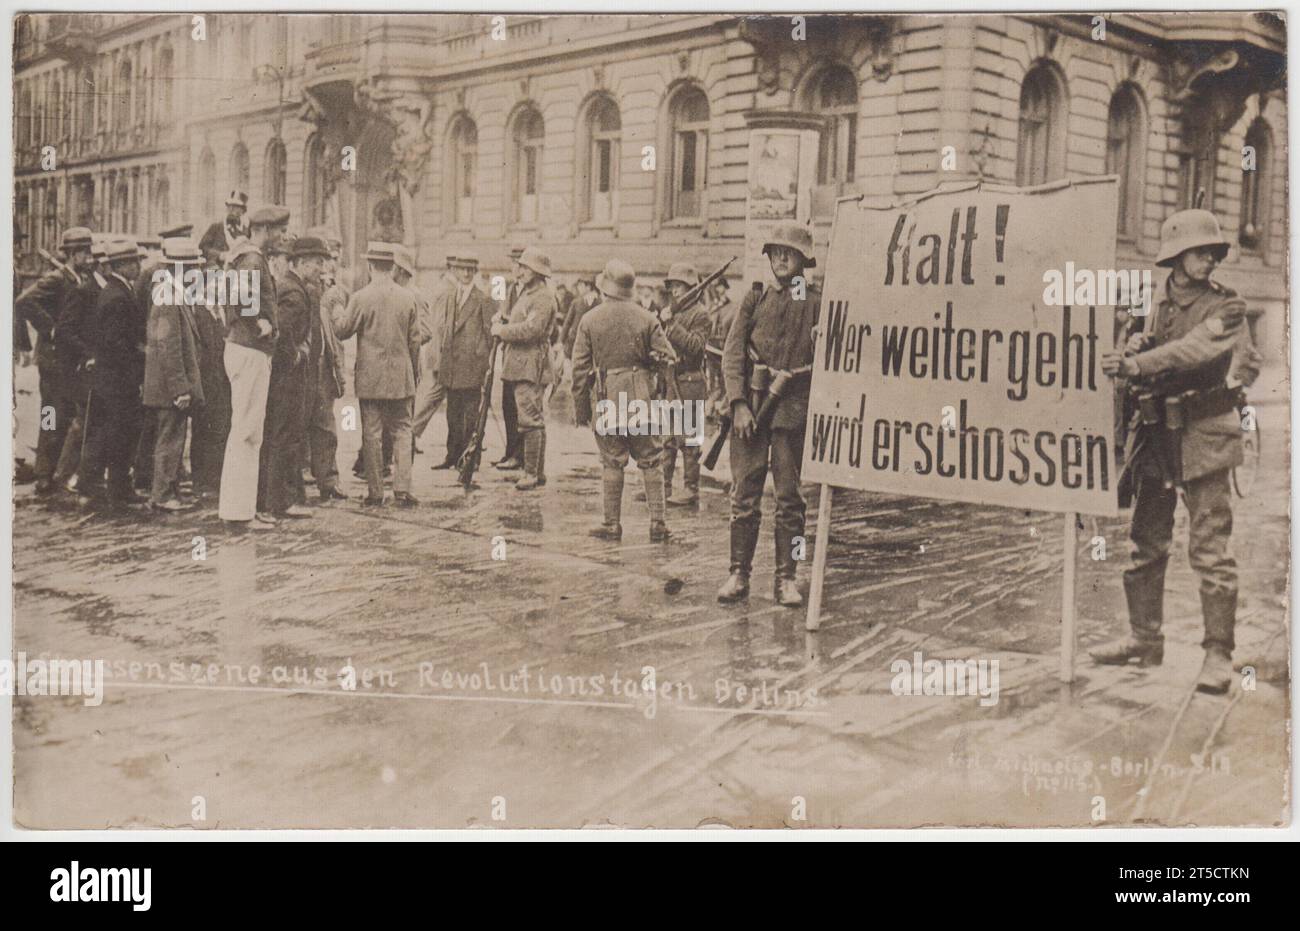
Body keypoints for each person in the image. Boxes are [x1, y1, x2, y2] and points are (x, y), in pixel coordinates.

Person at [1094, 208, 1261, 695]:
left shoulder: (1228, 307)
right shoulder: (1158, 303)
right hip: (1157, 434)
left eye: (1212, 252)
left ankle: (1217, 654)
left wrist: (1138, 364)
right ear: (1175, 257)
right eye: (1198, 252)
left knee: (1210, 549)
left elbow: (1192, 351)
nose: (1208, 259)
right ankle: (1144, 639)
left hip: (1206, 433)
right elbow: (1153, 342)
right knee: (1146, 541)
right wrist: (1129, 352)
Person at [718, 224, 820, 607]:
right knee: (744, 495)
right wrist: (738, 403)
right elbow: (732, 355)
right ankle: (738, 573)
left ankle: (787, 577)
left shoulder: (815, 303)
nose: (780, 258)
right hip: (753, 412)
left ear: (803, 261)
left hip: (792, 414)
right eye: (775, 251)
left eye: (788, 253)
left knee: (791, 501)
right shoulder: (755, 297)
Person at [572, 259, 675, 542]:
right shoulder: (648, 318)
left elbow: (579, 370)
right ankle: (658, 523)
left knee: (612, 461)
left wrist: (581, 408)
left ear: (605, 288)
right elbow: (668, 359)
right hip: (643, 394)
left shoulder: (590, 319)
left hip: (608, 396)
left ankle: (611, 524)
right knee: (652, 459)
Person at [331, 242, 422, 508]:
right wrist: (413, 371)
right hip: (401, 378)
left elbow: (342, 330)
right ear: (393, 267)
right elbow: (414, 341)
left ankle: (375, 492)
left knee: (371, 434)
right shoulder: (408, 298)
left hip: (371, 379)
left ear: (371, 267)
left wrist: (336, 309)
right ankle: (403, 490)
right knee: (403, 432)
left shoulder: (361, 297)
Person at [218, 204, 287, 531]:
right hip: (250, 350)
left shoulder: (242, 256)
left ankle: (242, 509)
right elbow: (242, 301)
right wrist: (264, 325)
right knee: (246, 433)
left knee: (247, 432)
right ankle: (237, 512)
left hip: (245, 350)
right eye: (278, 231)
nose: (281, 237)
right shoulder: (251, 259)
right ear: (263, 230)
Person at [16, 226, 95, 495]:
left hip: (67, 359)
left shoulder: (76, 279)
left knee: (65, 414)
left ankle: (56, 472)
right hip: (52, 360)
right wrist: (50, 329)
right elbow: (24, 301)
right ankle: (43, 473)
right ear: (72, 254)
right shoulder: (57, 279)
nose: (89, 257)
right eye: (84, 252)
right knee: (50, 414)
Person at [257, 235, 326, 520]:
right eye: (317, 262)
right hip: (289, 377)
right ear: (302, 263)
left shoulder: (288, 286)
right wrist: (295, 354)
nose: (321, 268)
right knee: (285, 436)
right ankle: (280, 501)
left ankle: (277, 499)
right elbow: (282, 331)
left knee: (280, 435)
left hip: (283, 376)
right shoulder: (295, 293)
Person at [76, 238, 147, 509]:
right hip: (117, 381)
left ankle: (114, 488)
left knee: (117, 434)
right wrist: (141, 353)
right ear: (123, 265)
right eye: (135, 262)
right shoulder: (117, 295)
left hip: (115, 379)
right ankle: (104, 490)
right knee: (113, 435)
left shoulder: (118, 290)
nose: (139, 266)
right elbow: (116, 343)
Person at [142, 237, 205, 511]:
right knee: (169, 440)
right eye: (194, 268)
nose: (198, 274)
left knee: (174, 439)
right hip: (169, 388)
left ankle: (171, 491)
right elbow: (169, 348)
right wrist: (180, 388)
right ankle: (162, 495)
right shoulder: (168, 297)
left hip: (169, 386)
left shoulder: (174, 294)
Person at [491, 246, 557, 491]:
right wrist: (505, 321)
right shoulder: (528, 294)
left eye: (526, 267)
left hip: (531, 364)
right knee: (532, 418)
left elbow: (533, 330)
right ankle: (536, 472)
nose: (521, 271)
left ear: (538, 271)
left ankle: (531, 472)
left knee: (530, 420)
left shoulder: (542, 297)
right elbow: (523, 322)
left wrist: (503, 331)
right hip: (521, 362)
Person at [437, 256, 496, 470]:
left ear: (475, 271)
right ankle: (452, 455)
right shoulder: (452, 295)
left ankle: (470, 459)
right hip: (452, 365)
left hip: (472, 365)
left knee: (471, 416)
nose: (466, 273)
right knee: (452, 413)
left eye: (470, 269)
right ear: (455, 270)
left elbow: (490, 335)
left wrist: (483, 360)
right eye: (462, 269)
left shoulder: (483, 298)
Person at [660, 262, 711, 507]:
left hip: (690, 381)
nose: (676, 291)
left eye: (680, 286)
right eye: (673, 286)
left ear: (692, 288)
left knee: (689, 440)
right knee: (667, 439)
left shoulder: (699, 314)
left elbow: (695, 346)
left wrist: (671, 325)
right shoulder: (673, 311)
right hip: (672, 379)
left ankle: (691, 489)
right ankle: (664, 486)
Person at [303, 232, 348, 501]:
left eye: (332, 258)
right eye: (324, 259)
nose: (327, 265)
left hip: (324, 364)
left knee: (326, 425)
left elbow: (336, 329)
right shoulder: (302, 287)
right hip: (304, 363)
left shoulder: (332, 289)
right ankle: (301, 474)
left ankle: (328, 480)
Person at [411, 255, 457, 459]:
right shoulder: (447, 289)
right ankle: (409, 434)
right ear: (451, 267)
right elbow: (439, 324)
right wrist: (443, 354)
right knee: (435, 395)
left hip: (442, 352)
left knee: (437, 395)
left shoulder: (446, 286)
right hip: (443, 352)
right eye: (458, 267)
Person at [494, 244, 528, 470]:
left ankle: (521, 455)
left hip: (523, 356)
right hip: (508, 353)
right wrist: (498, 318)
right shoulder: (504, 285)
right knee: (507, 405)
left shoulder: (533, 290)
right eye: (513, 263)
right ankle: (510, 452)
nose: (515, 268)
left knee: (521, 408)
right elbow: (497, 309)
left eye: (520, 264)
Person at [199, 191, 249, 267]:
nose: (231, 209)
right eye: (229, 206)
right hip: (217, 269)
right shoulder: (217, 226)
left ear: (243, 211)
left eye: (235, 206)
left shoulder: (246, 231)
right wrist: (219, 255)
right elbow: (202, 248)